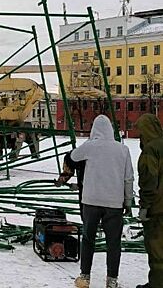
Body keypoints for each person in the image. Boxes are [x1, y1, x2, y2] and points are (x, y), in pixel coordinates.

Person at [70, 115, 134, 288]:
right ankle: (112, 280)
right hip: (114, 204)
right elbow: (128, 178)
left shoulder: (90, 146)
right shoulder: (123, 150)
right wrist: (128, 201)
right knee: (113, 243)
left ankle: (84, 277)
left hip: (90, 201)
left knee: (88, 239)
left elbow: (74, 156)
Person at [135, 114, 163, 288]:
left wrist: (145, 206)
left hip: (158, 210)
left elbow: (149, 181)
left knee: (157, 252)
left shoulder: (151, 150)